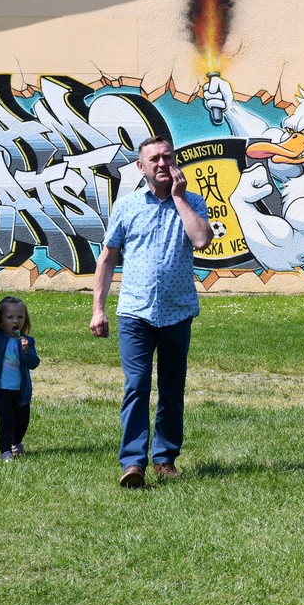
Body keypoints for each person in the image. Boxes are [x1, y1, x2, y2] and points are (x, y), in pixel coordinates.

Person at [90, 135, 213, 489]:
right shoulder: (127, 206)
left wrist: (178, 197)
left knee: (172, 389)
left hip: (177, 312)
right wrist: (98, 308)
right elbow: (109, 257)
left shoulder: (192, 201)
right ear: (141, 167)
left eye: (167, 157)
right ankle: (133, 463)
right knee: (137, 386)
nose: (162, 163)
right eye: (154, 159)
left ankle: (165, 458)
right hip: (135, 313)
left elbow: (202, 239)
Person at [0, 296, 40, 461]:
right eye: (10, 317)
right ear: (1, 320)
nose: (15, 321)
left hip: (20, 389)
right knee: (6, 420)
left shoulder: (27, 341)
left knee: (23, 420)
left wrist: (27, 351)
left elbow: (33, 363)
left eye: (20, 317)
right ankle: (5, 452)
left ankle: (16, 443)